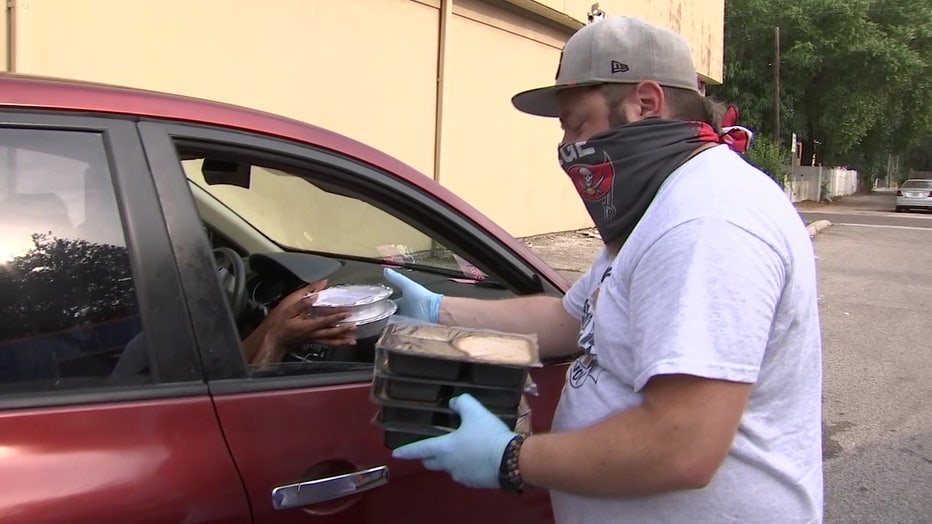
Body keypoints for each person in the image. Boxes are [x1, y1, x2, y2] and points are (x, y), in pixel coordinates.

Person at [383, 16, 823, 523]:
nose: (568, 147)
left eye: (578, 123)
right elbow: (572, 321)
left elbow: (681, 444)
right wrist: (438, 310)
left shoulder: (707, 218)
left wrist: (511, 457)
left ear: (646, 103)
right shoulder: (660, 205)